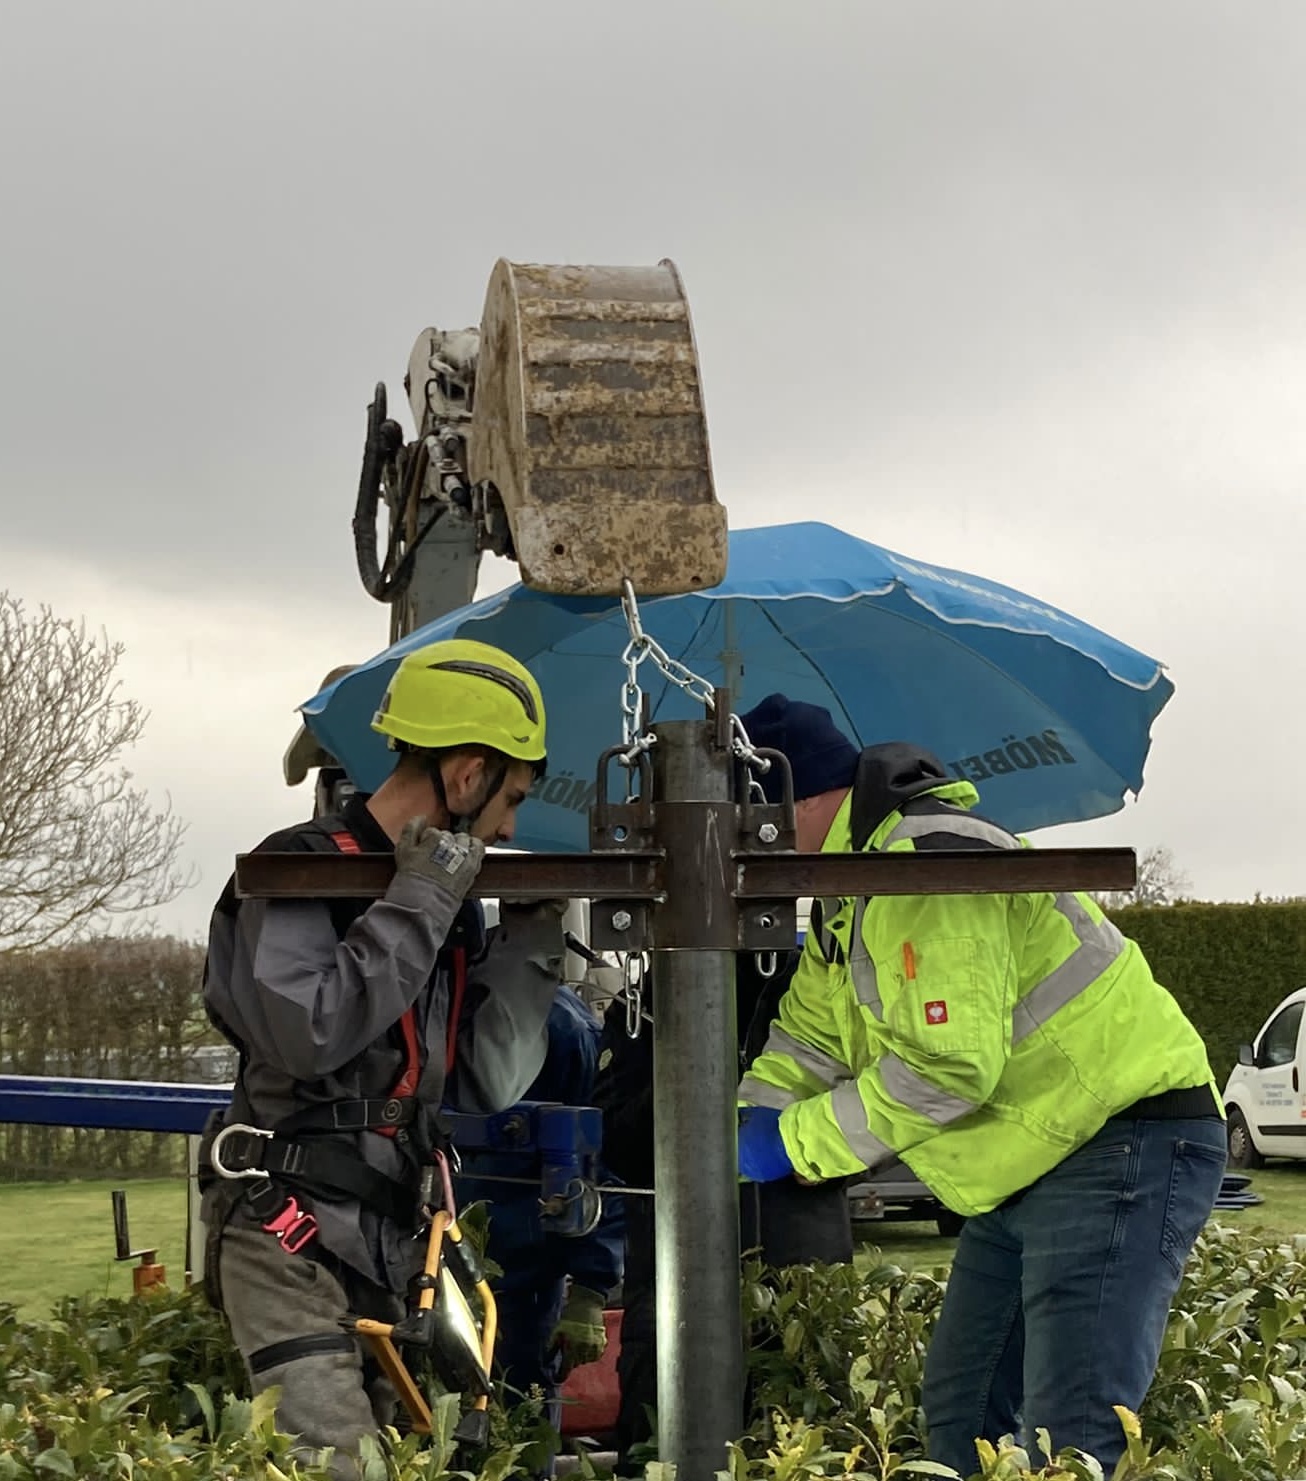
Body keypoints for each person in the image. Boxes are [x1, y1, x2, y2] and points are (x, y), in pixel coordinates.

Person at [733, 692, 1225, 1477]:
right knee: (963, 1412)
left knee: (1072, 1439)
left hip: (1120, 1139)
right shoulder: (844, 898)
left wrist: (788, 1142)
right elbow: (809, 1036)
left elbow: (949, 1067)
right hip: (1036, 1157)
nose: (743, 858)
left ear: (793, 802)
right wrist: (743, 1113)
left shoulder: (928, 861)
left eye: (745, 829)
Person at [200, 638, 567, 1478]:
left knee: (417, 1459)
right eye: (509, 796)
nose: (510, 826)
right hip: (284, 1230)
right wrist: (428, 893)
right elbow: (310, 1030)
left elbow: (481, 1078)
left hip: (392, 1243)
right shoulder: (294, 872)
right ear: (467, 775)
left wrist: (533, 943)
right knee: (338, 1465)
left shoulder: (443, 906)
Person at [594, 949, 854, 1472]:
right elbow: (615, 1143)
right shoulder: (640, 1007)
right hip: (673, 1281)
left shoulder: (820, 987)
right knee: (660, 1440)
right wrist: (684, 1081)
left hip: (800, 1276)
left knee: (803, 1438)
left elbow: (868, 1120)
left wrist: (809, 1153)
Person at [456, 984, 623, 1470]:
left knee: (519, 1415)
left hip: (522, 1272)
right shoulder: (412, 1009)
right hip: (424, 1262)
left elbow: (602, 1161)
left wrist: (591, 1291)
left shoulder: (561, 1028)